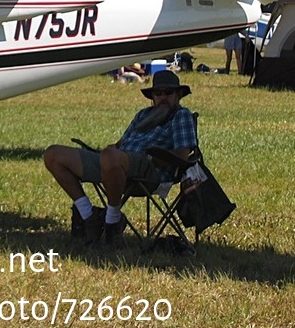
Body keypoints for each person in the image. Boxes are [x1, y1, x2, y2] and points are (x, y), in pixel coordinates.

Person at [43, 70, 197, 246]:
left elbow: (181, 157)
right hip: (116, 163)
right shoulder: (143, 115)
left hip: (151, 170)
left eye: (168, 93)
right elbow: (121, 143)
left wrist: (150, 157)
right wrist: (112, 148)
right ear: (152, 96)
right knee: (53, 154)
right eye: (158, 93)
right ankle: (88, 216)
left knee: (111, 158)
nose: (163, 97)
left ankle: (112, 221)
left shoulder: (181, 116)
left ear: (178, 95)